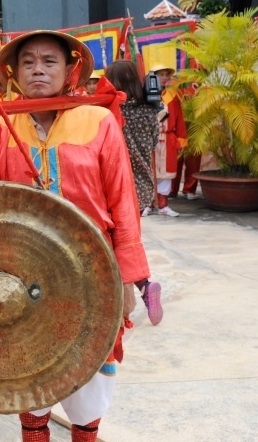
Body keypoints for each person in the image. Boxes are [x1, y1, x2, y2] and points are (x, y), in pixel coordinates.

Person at [0, 30, 152, 441]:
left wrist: (128, 277)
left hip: (93, 272)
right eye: (28, 61)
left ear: (69, 69)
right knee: (29, 374)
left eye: (49, 61)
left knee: (91, 376)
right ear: (14, 71)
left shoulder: (98, 120)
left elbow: (123, 204)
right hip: (19, 276)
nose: (37, 68)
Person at [105, 60, 164, 325]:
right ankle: (142, 288)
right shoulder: (149, 113)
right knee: (127, 240)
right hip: (140, 187)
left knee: (112, 243)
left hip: (115, 186)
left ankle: (133, 292)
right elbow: (152, 144)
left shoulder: (107, 112)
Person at [152, 64, 185, 217]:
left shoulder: (172, 96)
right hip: (151, 138)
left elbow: (179, 119)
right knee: (150, 171)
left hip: (168, 137)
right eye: (161, 74)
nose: (164, 78)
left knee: (167, 173)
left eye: (166, 75)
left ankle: (164, 205)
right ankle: (149, 204)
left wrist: (181, 140)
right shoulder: (147, 95)